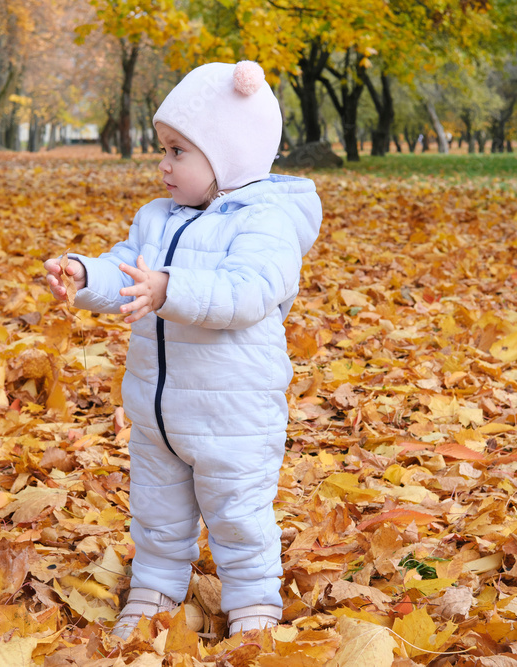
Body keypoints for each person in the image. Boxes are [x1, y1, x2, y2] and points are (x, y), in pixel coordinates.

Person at [44, 61, 322, 640]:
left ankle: (252, 601)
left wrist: (172, 289)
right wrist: (83, 273)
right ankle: (155, 586)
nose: (163, 165)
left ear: (227, 157)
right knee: (157, 511)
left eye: (177, 152)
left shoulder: (265, 223)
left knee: (238, 512)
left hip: (233, 413)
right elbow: (125, 266)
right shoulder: (156, 217)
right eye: (163, 149)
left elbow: (248, 293)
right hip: (157, 411)